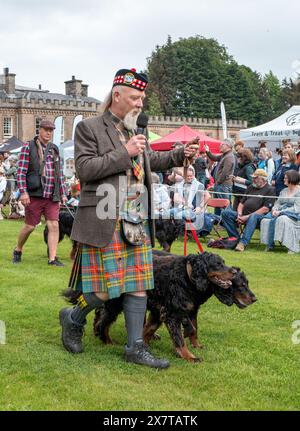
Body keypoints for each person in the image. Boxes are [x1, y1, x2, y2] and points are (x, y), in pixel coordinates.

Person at [59, 68, 199, 369]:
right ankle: (73, 317)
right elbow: (84, 169)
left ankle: (135, 347)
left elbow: (148, 162)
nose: (140, 103)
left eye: (143, 98)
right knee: (105, 288)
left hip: (136, 218)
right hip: (104, 215)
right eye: (135, 97)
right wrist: (124, 151)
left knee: (138, 283)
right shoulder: (89, 127)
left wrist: (178, 155)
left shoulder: (137, 130)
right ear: (117, 94)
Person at [12, 119, 67, 266]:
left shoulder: (54, 149)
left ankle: (52, 258)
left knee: (54, 225)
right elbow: (21, 172)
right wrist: (23, 192)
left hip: (52, 195)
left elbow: (59, 174)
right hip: (35, 194)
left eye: (51, 130)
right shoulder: (28, 147)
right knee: (30, 226)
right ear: (39, 130)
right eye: (46, 129)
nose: (48, 132)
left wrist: (63, 193)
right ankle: (18, 249)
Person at [221, 169, 276, 252]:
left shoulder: (270, 190)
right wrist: (239, 214)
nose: (253, 180)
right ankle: (236, 239)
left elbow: (266, 209)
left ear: (263, 179)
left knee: (253, 216)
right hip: (243, 215)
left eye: (255, 178)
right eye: (253, 178)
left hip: (259, 218)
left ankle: (243, 243)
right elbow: (241, 203)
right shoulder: (251, 187)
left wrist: (246, 217)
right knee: (225, 213)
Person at [260, 170, 300, 253]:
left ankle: (291, 246)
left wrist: (281, 212)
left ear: (292, 179)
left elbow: (296, 208)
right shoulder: (284, 191)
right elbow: (277, 203)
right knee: (265, 220)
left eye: (285, 178)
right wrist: (274, 209)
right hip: (280, 212)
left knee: (282, 219)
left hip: (294, 216)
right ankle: (269, 244)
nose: (283, 180)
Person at [204, 138, 235, 214]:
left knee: (225, 206)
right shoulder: (225, 155)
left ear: (228, 146)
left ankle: (227, 223)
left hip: (223, 185)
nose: (220, 146)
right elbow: (214, 158)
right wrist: (208, 151)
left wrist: (217, 183)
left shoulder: (229, 157)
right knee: (218, 205)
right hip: (221, 185)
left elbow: (225, 174)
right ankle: (217, 220)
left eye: (222, 144)